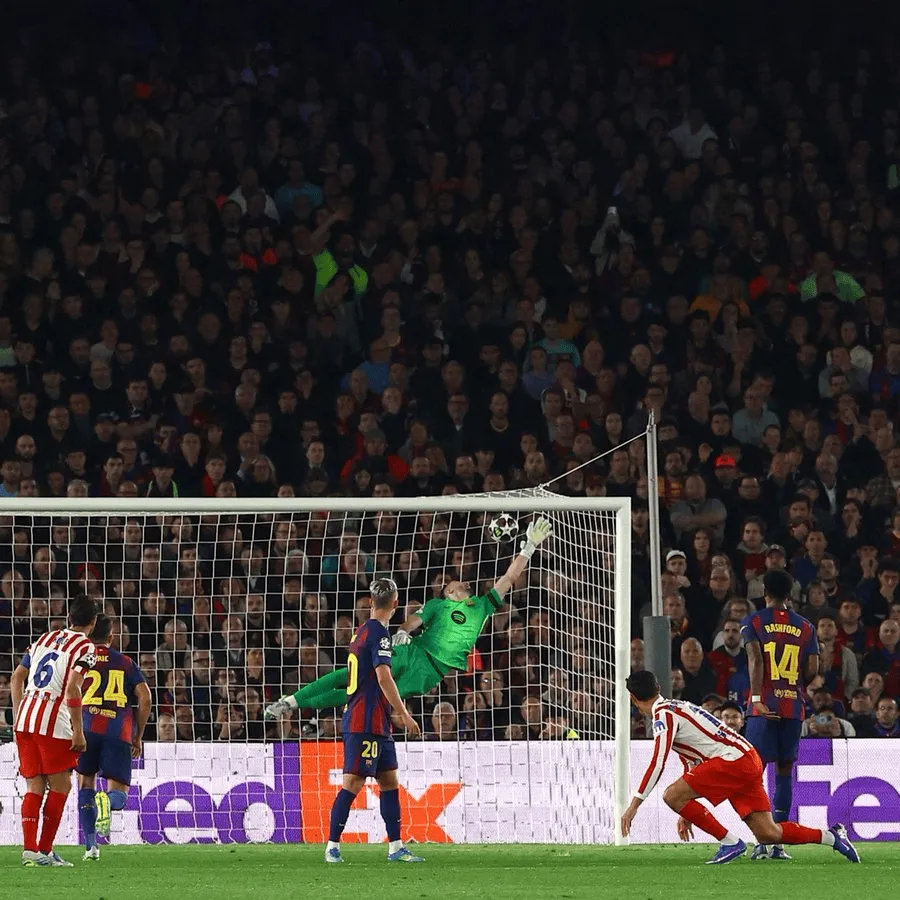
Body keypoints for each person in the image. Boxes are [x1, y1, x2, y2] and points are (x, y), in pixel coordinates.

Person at [265, 517, 554, 718]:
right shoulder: (437, 605)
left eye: (464, 583)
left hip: (431, 672)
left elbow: (509, 578)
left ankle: (296, 706)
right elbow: (413, 622)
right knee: (353, 676)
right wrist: (402, 631)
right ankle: (291, 701)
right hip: (412, 651)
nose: (465, 583)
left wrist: (528, 547)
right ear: (448, 592)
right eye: (457, 584)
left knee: (363, 693)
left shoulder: (482, 606)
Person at [620, 670, 859, 865]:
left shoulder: (663, 714)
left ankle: (729, 842)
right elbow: (691, 759)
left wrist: (634, 806)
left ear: (632, 698)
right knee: (768, 833)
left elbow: (658, 761)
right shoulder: (675, 706)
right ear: (658, 688)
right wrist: (687, 810)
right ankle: (832, 836)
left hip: (732, 761)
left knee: (671, 795)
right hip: (747, 758)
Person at [324, 577, 423, 864]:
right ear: (396, 603)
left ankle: (396, 847)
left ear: (370, 601)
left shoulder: (362, 631)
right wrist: (403, 713)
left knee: (389, 781)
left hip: (377, 721)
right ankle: (332, 846)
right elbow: (383, 676)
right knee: (353, 783)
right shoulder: (379, 633)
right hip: (364, 721)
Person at [10, 593, 98, 867]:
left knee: (34, 785)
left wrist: (19, 715)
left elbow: (17, 677)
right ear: (93, 623)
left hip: (25, 719)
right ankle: (45, 851)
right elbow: (72, 688)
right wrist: (78, 730)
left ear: (69, 618)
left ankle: (30, 850)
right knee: (62, 785)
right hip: (53, 723)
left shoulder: (44, 638)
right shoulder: (86, 647)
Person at [740, 569, 819, 860]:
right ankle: (779, 842)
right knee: (784, 772)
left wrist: (757, 698)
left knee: (754, 774)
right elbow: (813, 668)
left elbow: (755, 659)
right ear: (789, 594)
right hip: (792, 707)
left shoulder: (754, 621)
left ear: (764, 592)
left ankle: (761, 841)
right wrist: (794, 688)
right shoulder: (806, 626)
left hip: (763, 707)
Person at [76, 613, 152, 861]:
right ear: (111, 637)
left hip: (85, 728)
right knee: (118, 796)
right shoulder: (125, 662)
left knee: (85, 784)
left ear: (88, 634)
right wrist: (138, 736)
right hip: (117, 730)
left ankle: (91, 847)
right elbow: (145, 697)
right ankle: (107, 802)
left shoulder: (81, 660)